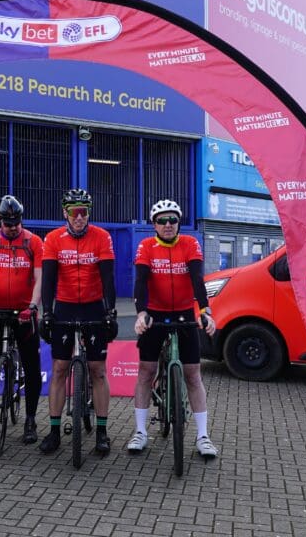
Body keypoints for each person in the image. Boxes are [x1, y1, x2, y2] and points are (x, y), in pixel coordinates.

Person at [127, 199, 219, 458]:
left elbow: (197, 279)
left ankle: (203, 436)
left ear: (179, 222)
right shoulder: (146, 246)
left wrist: (204, 312)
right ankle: (140, 432)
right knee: (146, 371)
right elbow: (141, 281)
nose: (167, 225)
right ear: (154, 224)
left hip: (182, 315)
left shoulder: (190, 244)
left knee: (192, 374)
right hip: (155, 314)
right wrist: (141, 313)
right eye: (161, 221)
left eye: (172, 220)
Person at [38, 188, 117, 456]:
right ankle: (54, 430)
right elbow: (48, 279)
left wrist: (111, 312)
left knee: (98, 369)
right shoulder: (52, 239)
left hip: (94, 306)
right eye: (74, 212)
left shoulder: (102, 237)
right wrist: (46, 312)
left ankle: (103, 432)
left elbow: (108, 278)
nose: (80, 217)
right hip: (65, 306)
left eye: (84, 212)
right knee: (59, 368)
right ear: (65, 213)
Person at [0, 195, 44, 445]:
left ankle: (31, 419)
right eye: (7, 222)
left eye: (16, 222)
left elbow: (39, 277)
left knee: (33, 368)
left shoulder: (33, 242)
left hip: (24, 315)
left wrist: (34, 306)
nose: (12, 226)